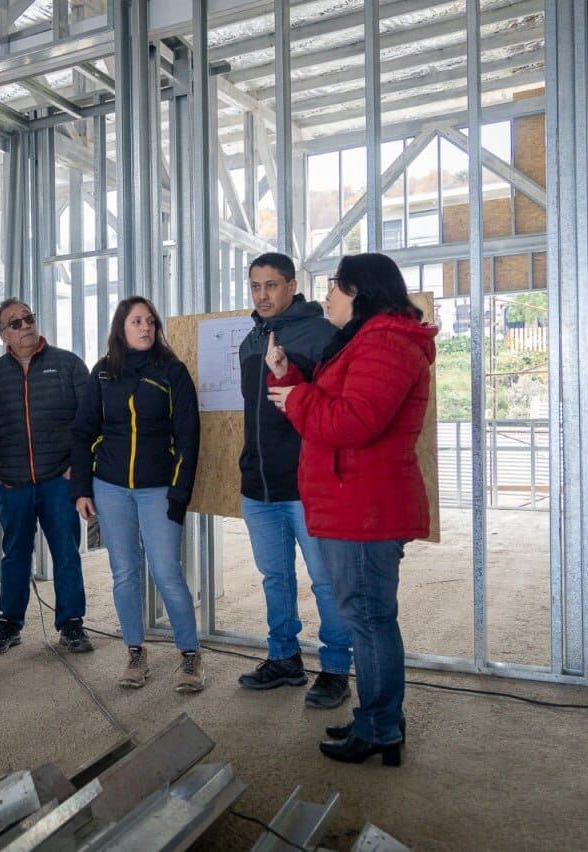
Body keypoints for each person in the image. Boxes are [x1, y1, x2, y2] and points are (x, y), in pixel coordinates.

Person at [266, 252, 437, 767]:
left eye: (335, 287)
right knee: (368, 617)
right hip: (356, 503)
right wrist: (291, 374)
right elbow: (337, 398)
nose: (327, 297)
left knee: (368, 619)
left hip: (366, 509)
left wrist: (295, 397)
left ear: (360, 292)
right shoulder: (369, 342)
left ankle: (381, 727)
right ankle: (381, 718)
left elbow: (355, 421)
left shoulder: (385, 343)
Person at [237, 252, 354, 710]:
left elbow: (334, 410)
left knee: (326, 581)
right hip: (259, 486)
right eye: (254, 286)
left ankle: (335, 668)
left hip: (307, 486)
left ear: (291, 286)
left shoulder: (322, 334)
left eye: (270, 285)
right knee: (275, 578)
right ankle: (284, 657)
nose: (262, 295)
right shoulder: (251, 340)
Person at [71, 296, 203, 692]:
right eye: (136, 321)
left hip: (158, 489)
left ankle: (190, 654)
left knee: (166, 572)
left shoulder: (172, 372)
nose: (145, 328)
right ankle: (135, 651)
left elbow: (188, 437)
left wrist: (179, 493)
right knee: (124, 573)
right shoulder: (102, 374)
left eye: (150, 321)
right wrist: (81, 487)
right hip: (110, 488)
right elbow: (82, 432)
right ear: (121, 329)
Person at [0, 299, 93, 654]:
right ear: (3, 335)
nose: (25, 325)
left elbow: (90, 420)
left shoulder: (68, 365)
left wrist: (78, 469)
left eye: (29, 318)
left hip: (60, 479)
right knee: (15, 554)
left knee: (66, 553)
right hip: (13, 483)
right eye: (15, 323)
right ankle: (9, 622)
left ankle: (72, 624)